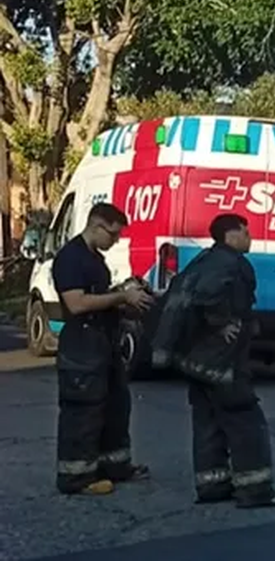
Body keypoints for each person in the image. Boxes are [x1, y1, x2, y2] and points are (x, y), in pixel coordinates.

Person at [151, 214, 275, 508]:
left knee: (207, 420)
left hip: (196, 359)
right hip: (221, 360)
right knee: (244, 419)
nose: (250, 237)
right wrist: (222, 322)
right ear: (231, 235)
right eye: (245, 231)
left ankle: (212, 485)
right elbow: (208, 296)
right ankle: (256, 490)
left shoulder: (205, 259)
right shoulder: (231, 263)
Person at [52, 202, 154, 496]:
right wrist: (122, 297)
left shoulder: (95, 258)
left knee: (115, 405)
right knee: (83, 411)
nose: (116, 240)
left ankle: (114, 466)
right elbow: (77, 303)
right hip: (82, 345)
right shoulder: (71, 258)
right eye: (113, 234)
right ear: (97, 226)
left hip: (104, 343)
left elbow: (99, 296)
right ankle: (76, 478)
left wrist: (125, 296)